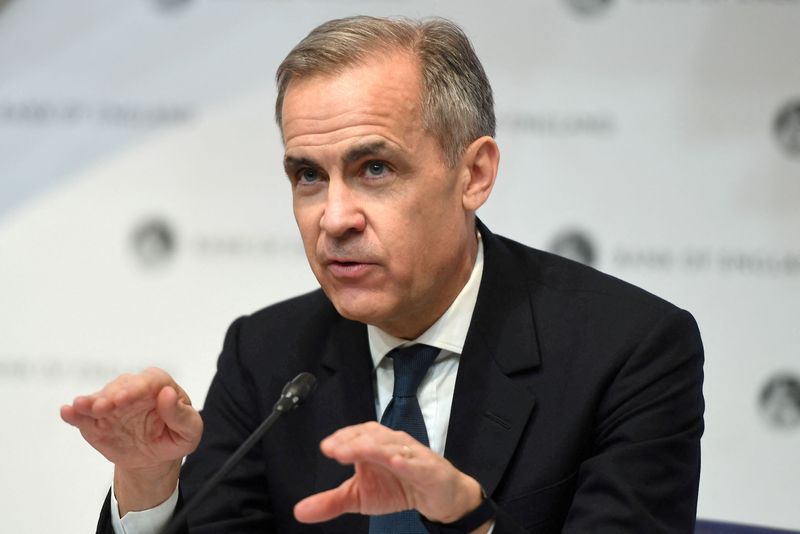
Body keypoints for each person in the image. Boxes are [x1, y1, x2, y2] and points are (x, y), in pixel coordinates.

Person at [61, 16, 705, 533]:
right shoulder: (267, 354)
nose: (334, 217)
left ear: (473, 174)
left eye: (375, 168)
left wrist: (469, 520)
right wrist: (149, 480)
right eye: (308, 175)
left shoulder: (628, 350)